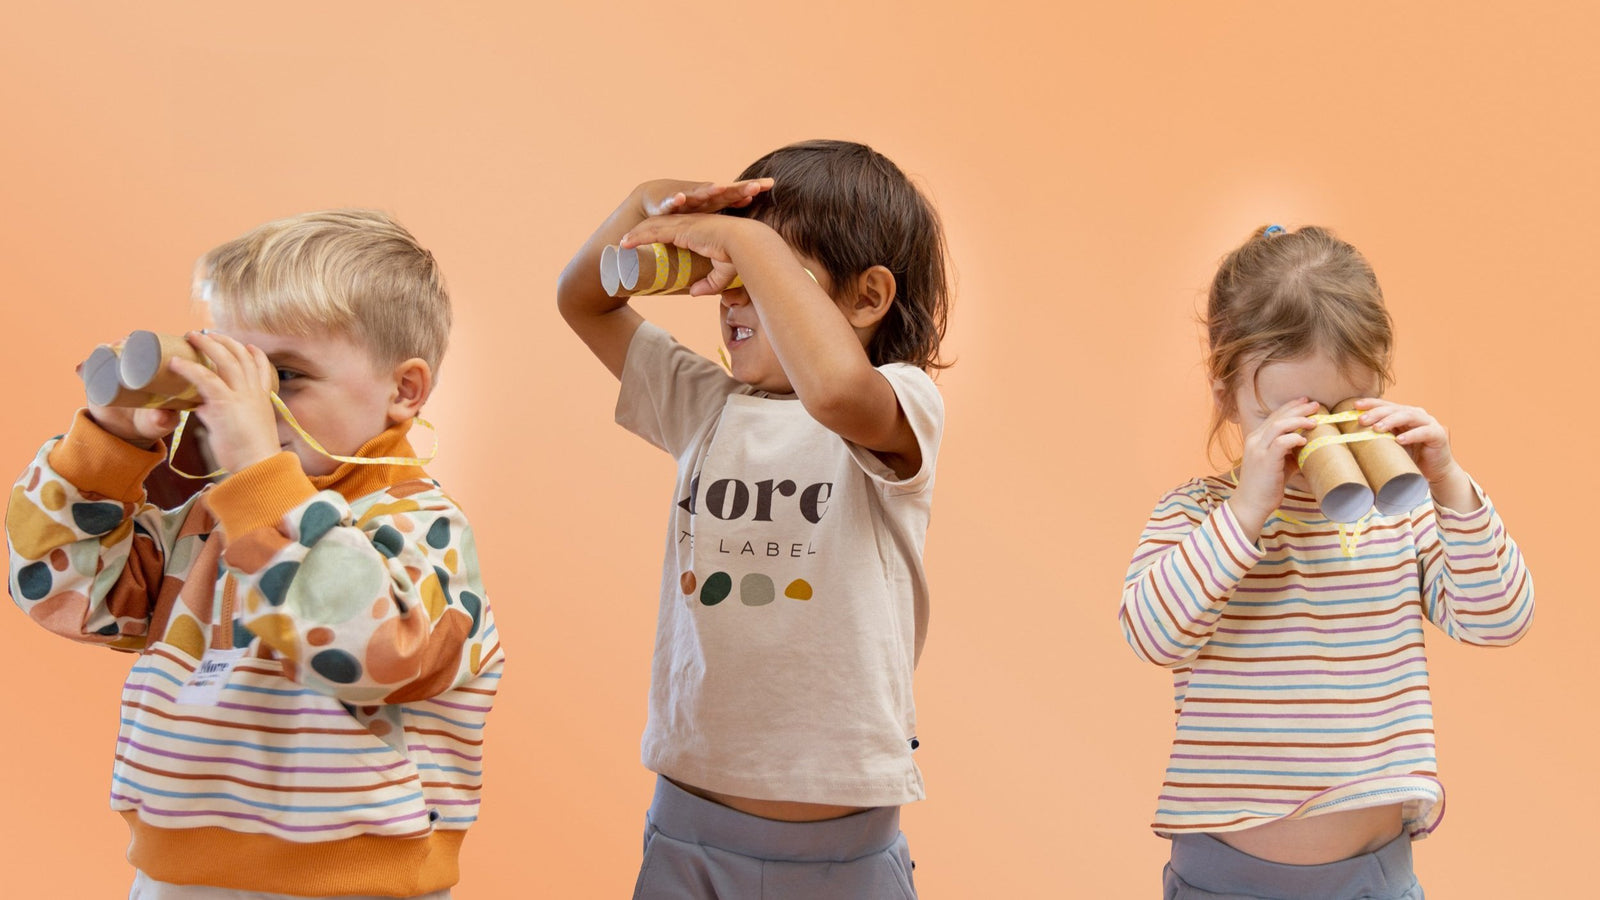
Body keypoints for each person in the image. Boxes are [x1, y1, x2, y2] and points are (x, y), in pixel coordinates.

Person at [7, 210, 502, 899]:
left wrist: (259, 481)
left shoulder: (421, 526)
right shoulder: (214, 522)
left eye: (285, 377)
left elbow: (377, 653)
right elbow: (62, 590)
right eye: (228, 373)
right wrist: (109, 441)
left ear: (403, 390)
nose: (249, 406)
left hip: (355, 883)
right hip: (176, 875)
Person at [557, 139, 950, 899]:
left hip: (846, 851)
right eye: (730, 280)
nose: (734, 295)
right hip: (690, 827)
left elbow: (835, 390)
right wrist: (648, 201)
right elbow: (582, 299)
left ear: (867, 300)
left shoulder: (896, 404)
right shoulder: (703, 406)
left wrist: (743, 236)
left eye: (770, 276)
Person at [1120, 224, 1534, 899]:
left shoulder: (1401, 513)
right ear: (1225, 392)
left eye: (1345, 411)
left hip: (1373, 878)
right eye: (1288, 415)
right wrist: (1245, 513)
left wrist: (1450, 484)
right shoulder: (1198, 515)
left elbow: (1499, 617)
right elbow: (1152, 633)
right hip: (1224, 881)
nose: (1320, 437)